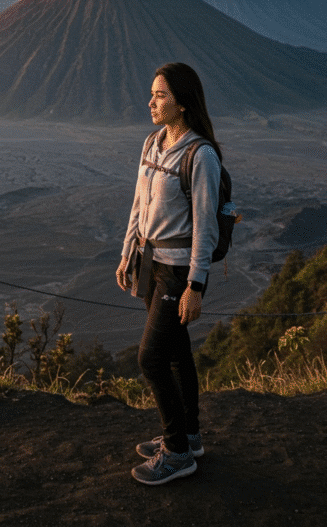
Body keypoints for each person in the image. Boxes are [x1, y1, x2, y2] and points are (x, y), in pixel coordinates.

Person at [116, 62, 222, 485]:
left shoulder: (201, 155)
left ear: (182, 102)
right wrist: (128, 252)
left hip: (177, 272)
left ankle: (177, 452)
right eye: (152, 94)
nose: (151, 102)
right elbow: (139, 205)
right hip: (149, 261)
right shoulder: (153, 143)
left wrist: (196, 285)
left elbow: (206, 226)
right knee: (176, 352)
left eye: (160, 95)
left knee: (152, 358)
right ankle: (189, 436)